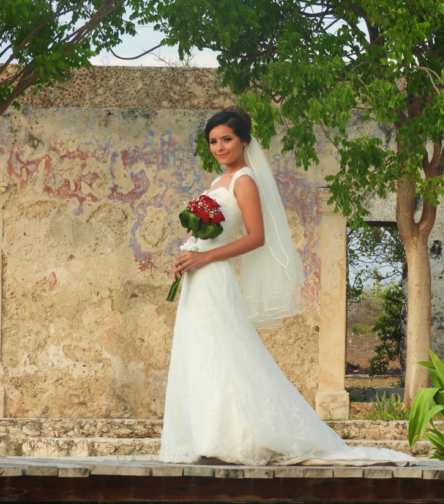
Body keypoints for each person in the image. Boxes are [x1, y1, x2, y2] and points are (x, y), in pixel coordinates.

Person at [158, 110, 413, 466]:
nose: (219, 147)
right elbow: (202, 230)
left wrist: (205, 257)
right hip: (197, 279)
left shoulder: (244, 180)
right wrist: (186, 253)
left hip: (214, 275)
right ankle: (205, 435)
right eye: (213, 141)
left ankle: (232, 438)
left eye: (227, 139)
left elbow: (257, 237)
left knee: (224, 348)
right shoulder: (219, 179)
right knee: (200, 351)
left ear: (244, 140)